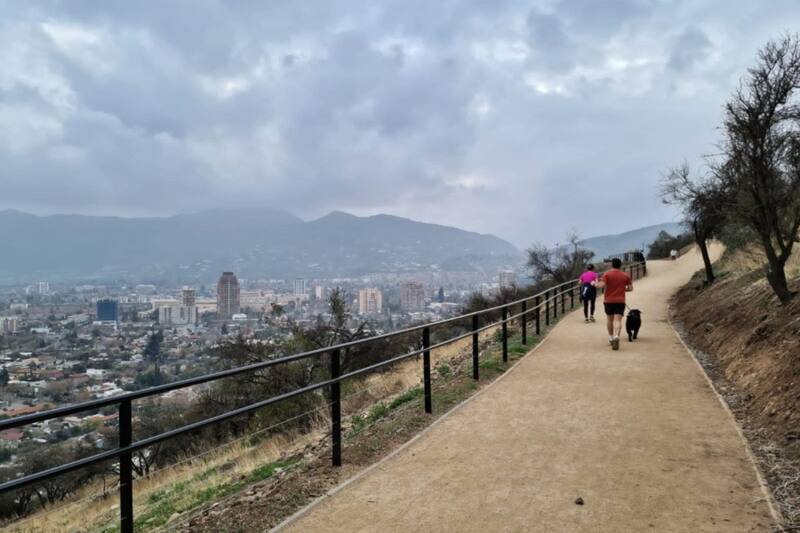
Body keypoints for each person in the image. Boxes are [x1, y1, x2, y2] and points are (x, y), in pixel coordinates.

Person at [592, 258, 633, 350]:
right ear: (620, 265)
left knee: (610, 320)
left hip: (609, 301)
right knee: (618, 320)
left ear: (612, 265)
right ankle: (616, 337)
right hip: (620, 301)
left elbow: (601, 285)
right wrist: (622, 289)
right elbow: (630, 288)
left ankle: (611, 338)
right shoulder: (625, 275)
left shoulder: (607, 274)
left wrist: (594, 283)